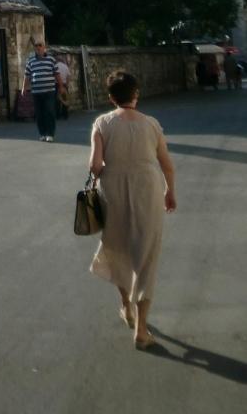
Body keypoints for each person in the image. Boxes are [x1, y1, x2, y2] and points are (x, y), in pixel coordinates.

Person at [88, 69, 177, 350]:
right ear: (136, 94)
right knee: (146, 254)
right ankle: (141, 328)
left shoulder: (102, 123)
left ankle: (126, 306)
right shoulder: (152, 124)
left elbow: (95, 165)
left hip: (112, 190)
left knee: (118, 248)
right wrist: (170, 191)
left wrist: (103, 173)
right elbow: (166, 164)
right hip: (147, 189)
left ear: (111, 97)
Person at [22, 39, 63, 142]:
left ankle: (50, 134)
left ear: (44, 47)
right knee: (39, 113)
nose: (38, 47)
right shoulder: (30, 61)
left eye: (40, 45)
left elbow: (57, 74)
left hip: (49, 91)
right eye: (36, 46)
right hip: (36, 92)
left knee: (50, 112)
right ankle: (43, 133)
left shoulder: (51, 60)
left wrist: (61, 87)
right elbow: (27, 76)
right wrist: (24, 88)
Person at [55, 53, 71, 119]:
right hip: (64, 84)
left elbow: (54, 76)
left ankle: (57, 115)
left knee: (57, 100)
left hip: (57, 84)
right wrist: (67, 84)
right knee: (65, 99)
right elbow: (68, 76)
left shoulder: (55, 66)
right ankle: (65, 114)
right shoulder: (65, 66)